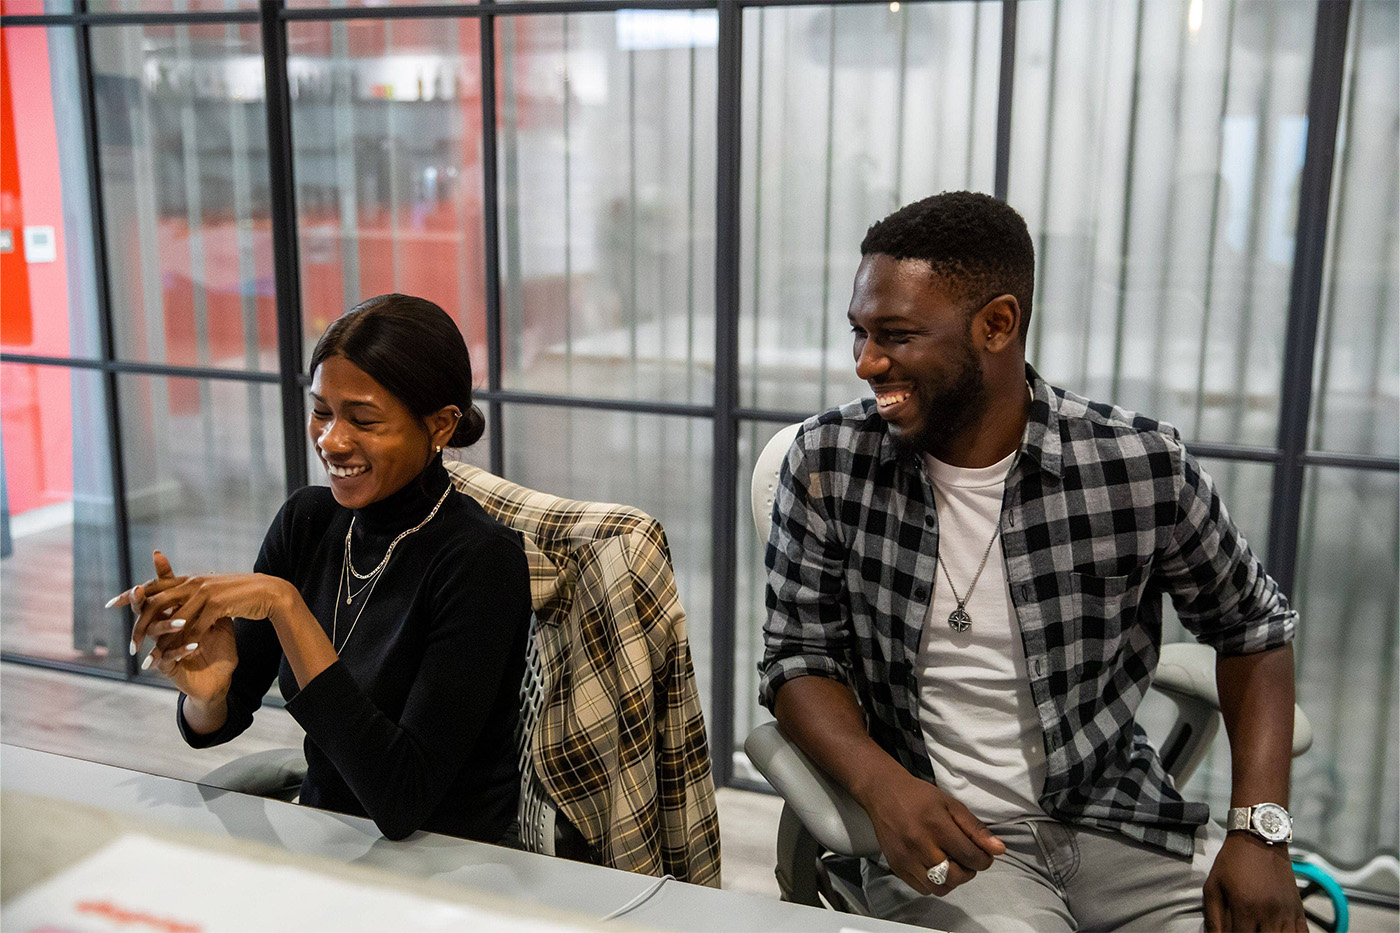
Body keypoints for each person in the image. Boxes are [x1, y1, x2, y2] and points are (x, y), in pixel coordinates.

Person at [761, 192, 1306, 931]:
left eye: (896, 335)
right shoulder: (829, 462)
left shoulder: (1138, 466)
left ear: (997, 324)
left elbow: (1254, 629)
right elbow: (799, 659)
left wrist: (1259, 828)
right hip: (949, 838)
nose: (866, 363)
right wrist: (882, 785)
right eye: (858, 332)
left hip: (1118, 820)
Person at [109, 294, 531, 845]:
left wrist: (287, 607)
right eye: (322, 411)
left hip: (449, 866)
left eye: (364, 419)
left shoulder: (480, 561)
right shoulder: (308, 522)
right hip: (328, 838)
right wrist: (208, 695)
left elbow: (402, 802)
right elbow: (221, 720)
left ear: (441, 426)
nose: (331, 440)